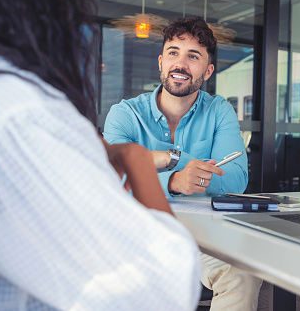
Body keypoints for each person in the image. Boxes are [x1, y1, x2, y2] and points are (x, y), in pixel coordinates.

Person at [0, 0, 201, 310]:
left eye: (193, 56)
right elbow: (160, 289)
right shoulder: (15, 112)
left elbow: (232, 177)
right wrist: (141, 164)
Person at [104, 17, 262, 311]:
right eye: (174, 53)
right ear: (161, 62)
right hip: (136, 231)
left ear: (208, 70)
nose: (181, 64)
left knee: (242, 271)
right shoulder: (125, 114)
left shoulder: (219, 111)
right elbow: (108, 180)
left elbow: (236, 178)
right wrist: (175, 180)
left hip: (204, 235)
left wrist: (167, 161)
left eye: (193, 56)